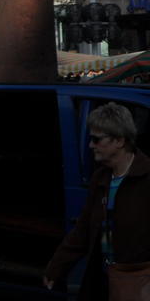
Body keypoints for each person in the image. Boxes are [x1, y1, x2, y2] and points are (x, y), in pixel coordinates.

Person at [44, 102, 150, 299]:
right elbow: (83, 229)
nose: (91, 144)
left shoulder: (146, 178)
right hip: (102, 278)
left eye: (96, 139)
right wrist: (56, 267)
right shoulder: (101, 178)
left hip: (138, 284)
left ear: (119, 140)